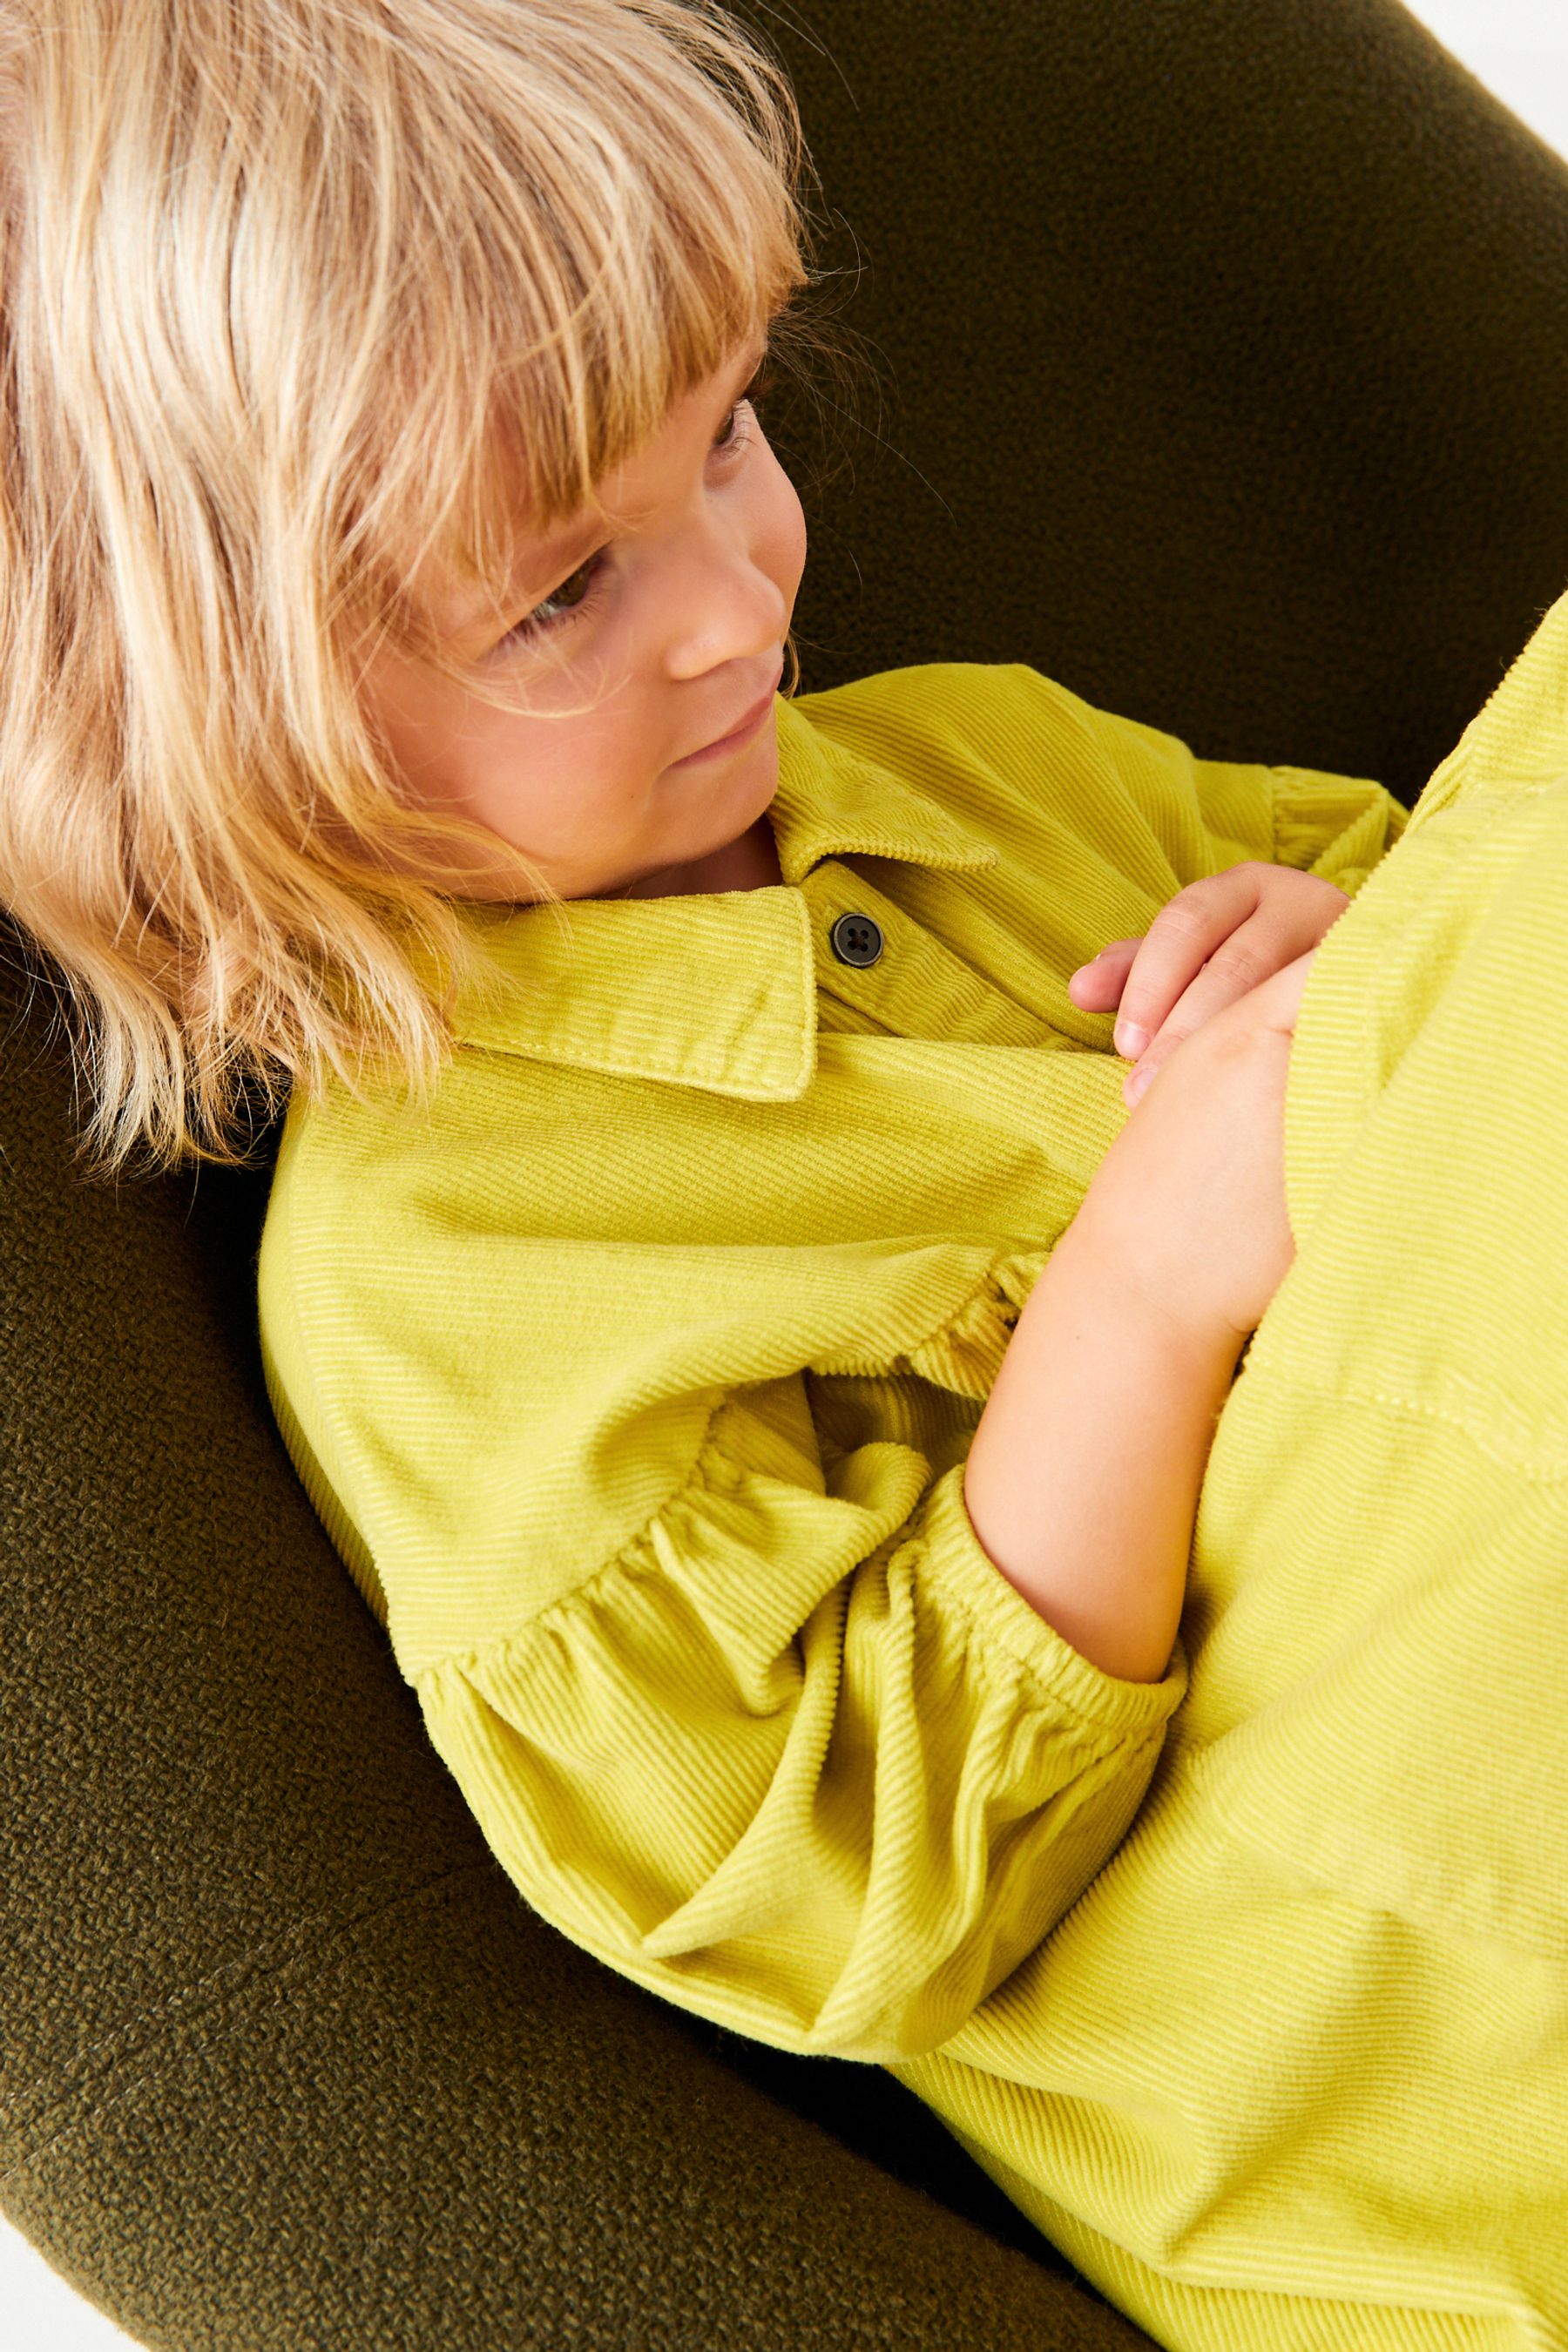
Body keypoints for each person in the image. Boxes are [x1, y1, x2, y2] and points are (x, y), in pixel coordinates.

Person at [0, 3, 1560, 2346]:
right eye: (563, 589)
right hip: (1353, 1940)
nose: (740, 595)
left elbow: (1427, 964)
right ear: (234, 739)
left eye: (728, 428)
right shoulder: (448, 1282)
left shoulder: (958, 765)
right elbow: (851, 1884)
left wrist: (1324, 925)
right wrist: (1136, 1291)